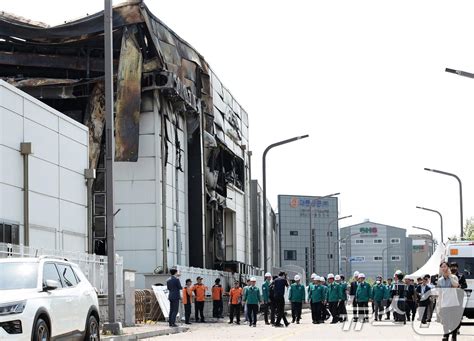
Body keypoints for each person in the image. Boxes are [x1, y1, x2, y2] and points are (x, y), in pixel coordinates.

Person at [438, 261, 461, 341]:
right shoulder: (440, 280)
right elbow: (440, 294)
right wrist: (439, 306)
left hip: (454, 303)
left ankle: (454, 336)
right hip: (445, 304)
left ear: (448, 267)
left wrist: (450, 276)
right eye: (442, 267)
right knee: (445, 321)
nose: (444, 268)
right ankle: (446, 335)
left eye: (445, 266)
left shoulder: (454, 277)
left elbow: (456, 285)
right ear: (440, 269)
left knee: (454, 321)